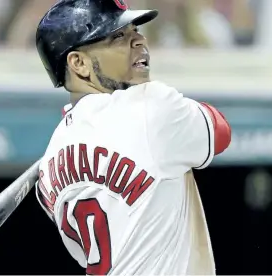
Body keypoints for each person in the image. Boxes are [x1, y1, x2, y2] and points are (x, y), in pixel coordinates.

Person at [34, 0, 231, 274]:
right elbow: (221, 131)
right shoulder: (150, 106)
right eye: (118, 36)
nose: (139, 40)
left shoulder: (49, 166)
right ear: (78, 63)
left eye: (135, 30)